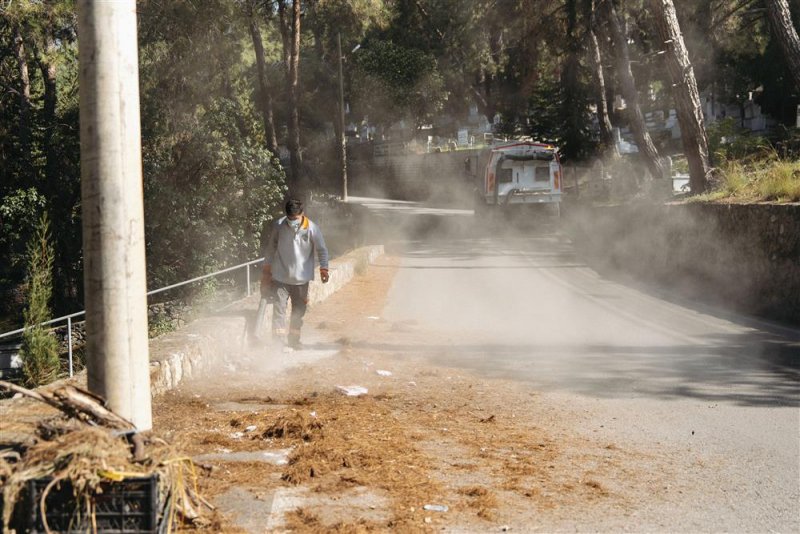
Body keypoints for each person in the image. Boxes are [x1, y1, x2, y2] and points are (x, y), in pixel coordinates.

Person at [261, 198, 329, 349]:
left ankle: (294, 341)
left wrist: (324, 268)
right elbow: (271, 249)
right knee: (279, 310)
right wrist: (266, 271)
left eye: (296, 219)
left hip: (301, 280)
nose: (293, 222)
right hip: (280, 277)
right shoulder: (279, 226)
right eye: (290, 219)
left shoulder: (312, 228)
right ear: (286, 215)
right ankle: (278, 343)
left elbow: (322, 250)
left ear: (302, 214)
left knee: (298, 312)